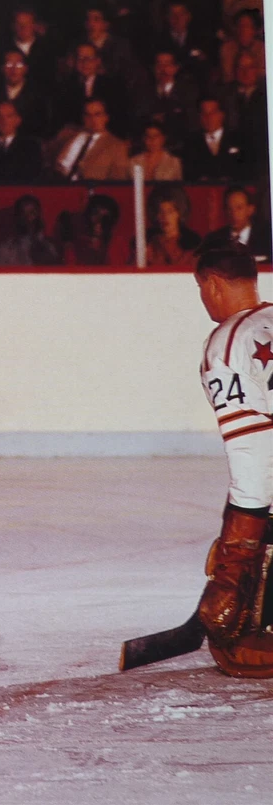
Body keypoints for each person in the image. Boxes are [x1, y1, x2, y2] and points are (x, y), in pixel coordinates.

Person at [192, 246, 273, 678]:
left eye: (200, 287)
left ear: (214, 283)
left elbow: (253, 452)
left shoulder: (227, 344)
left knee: (257, 527)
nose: (202, 297)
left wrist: (236, 554)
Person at [48, 98, 130, 182]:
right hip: (58, 185)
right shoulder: (69, 135)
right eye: (87, 115)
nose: (92, 119)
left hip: (88, 189)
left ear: (106, 117)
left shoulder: (117, 146)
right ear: (83, 117)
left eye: (97, 114)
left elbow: (117, 181)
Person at [133, 184, 201, 268]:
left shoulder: (193, 244)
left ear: (179, 213)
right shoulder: (148, 244)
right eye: (161, 211)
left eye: (170, 211)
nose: (165, 217)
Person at [201, 185, 272, 264]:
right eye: (229, 208)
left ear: (250, 209)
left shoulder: (268, 238)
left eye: (239, 208)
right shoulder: (214, 240)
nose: (234, 214)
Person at [0, 195, 60, 266]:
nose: (28, 218)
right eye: (23, 213)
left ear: (39, 215)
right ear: (17, 217)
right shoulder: (4, 250)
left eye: (32, 213)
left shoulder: (50, 248)